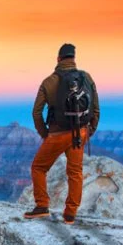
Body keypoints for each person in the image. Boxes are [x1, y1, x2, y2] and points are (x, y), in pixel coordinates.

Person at [26, 42, 100, 222]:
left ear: (58, 59)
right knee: (75, 172)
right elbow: (96, 109)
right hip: (80, 133)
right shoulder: (86, 78)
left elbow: (36, 112)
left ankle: (42, 205)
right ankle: (70, 213)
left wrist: (45, 134)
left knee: (38, 167)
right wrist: (89, 131)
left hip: (57, 134)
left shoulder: (49, 81)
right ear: (73, 58)